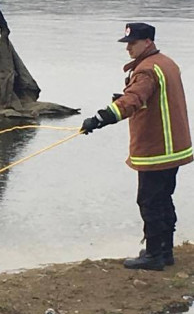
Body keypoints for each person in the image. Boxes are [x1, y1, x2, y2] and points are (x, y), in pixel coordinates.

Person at [81, 23, 192, 271]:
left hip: (156, 148)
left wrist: (99, 119)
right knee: (164, 197)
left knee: (149, 200)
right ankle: (165, 250)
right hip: (175, 146)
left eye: (133, 43)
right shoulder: (166, 63)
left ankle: (153, 255)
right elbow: (148, 98)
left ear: (148, 42)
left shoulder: (146, 70)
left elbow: (132, 100)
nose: (128, 48)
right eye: (127, 43)